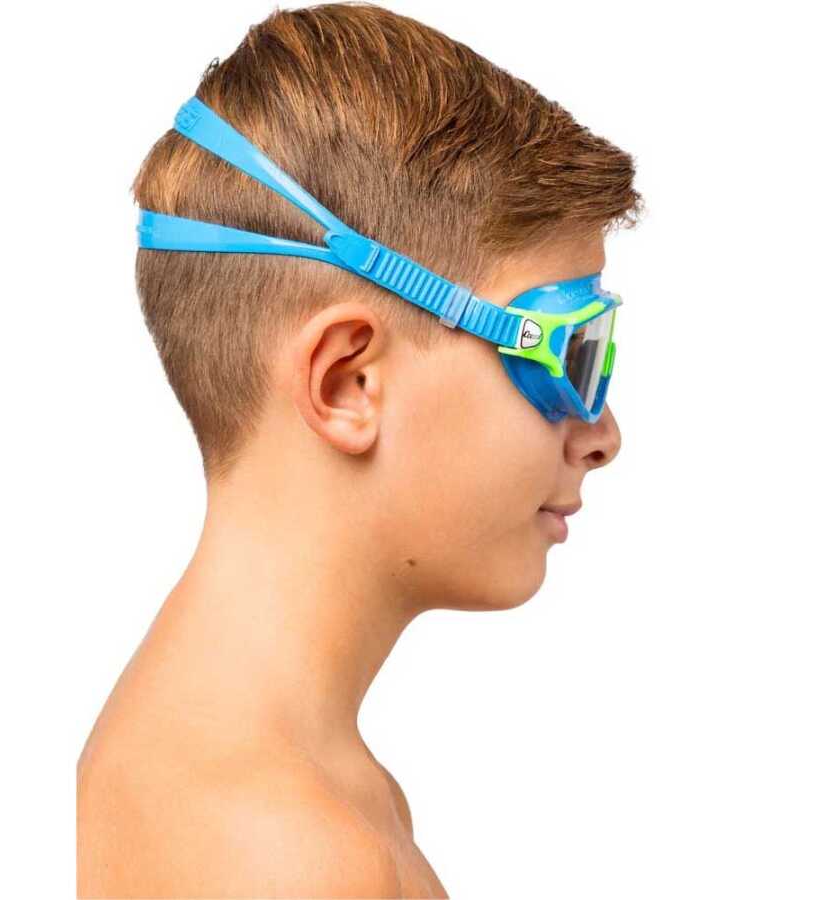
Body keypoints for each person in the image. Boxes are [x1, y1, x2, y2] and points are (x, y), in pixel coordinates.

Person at [77, 3, 643, 896]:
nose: (603, 436)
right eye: (568, 355)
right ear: (349, 382)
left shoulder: (270, 771)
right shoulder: (283, 851)